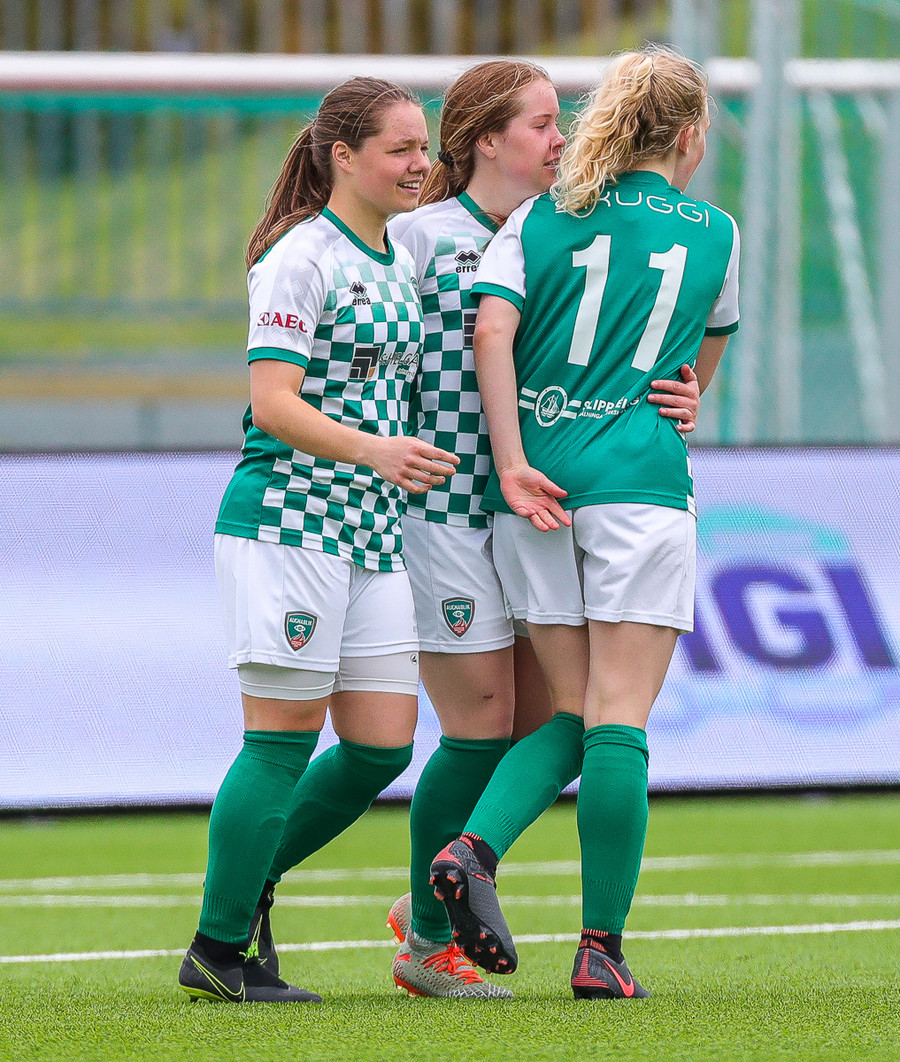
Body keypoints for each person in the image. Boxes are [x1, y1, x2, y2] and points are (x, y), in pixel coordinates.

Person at [384, 59, 703, 999]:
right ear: (688, 135)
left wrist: (516, 457)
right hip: (632, 487)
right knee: (614, 720)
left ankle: (465, 860)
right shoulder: (714, 232)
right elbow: (691, 371)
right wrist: (684, 400)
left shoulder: (537, 220)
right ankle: (598, 948)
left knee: (564, 713)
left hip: (532, 493)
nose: (556, 136)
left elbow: (495, 334)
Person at [178, 76, 458, 1004]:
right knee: (280, 741)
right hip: (290, 523)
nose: (419, 164)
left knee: (382, 747)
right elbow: (273, 404)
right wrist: (378, 449)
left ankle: (247, 880)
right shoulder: (300, 257)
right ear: (343, 156)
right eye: (400, 149)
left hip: (372, 532)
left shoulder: (398, 255)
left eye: (424, 147)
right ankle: (219, 947)